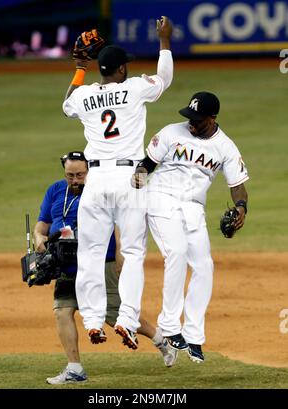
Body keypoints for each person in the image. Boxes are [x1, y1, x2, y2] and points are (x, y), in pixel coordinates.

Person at [62, 17, 173, 348]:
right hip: (131, 179)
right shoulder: (135, 87)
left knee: (92, 253)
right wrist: (164, 41)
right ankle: (126, 319)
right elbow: (164, 78)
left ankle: (94, 322)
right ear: (121, 70)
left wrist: (80, 67)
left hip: (95, 179)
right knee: (134, 252)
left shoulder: (85, 96)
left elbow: (67, 105)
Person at [34, 151, 177, 385]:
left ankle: (161, 341)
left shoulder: (100, 188)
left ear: (90, 170)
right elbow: (42, 224)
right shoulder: (55, 190)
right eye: (70, 175)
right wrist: (39, 237)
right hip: (68, 264)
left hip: (102, 263)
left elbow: (122, 220)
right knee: (62, 311)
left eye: (80, 174)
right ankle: (74, 368)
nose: (75, 180)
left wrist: (121, 253)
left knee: (114, 315)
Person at [132, 91, 249, 362]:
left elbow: (238, 186)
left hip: (193, 207)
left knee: (204, 265)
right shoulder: (172, 133)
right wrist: (138, 179)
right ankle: (170, 327)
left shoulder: (226, 147)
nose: (192, 123)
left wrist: (242, 208)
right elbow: (146, 164)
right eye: (190, 117)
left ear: (213, 118)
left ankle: (194, 336)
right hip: (161, 198)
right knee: (177, 251)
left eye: (198, 119)